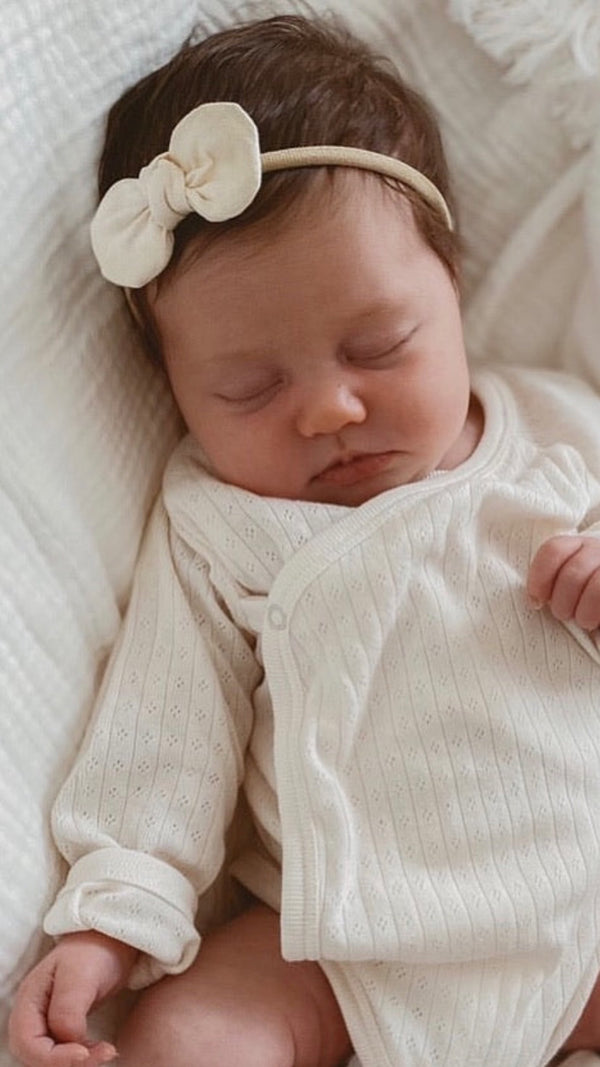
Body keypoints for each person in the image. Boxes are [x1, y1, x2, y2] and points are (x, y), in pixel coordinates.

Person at [8, 12, 600, 1067]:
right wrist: (110, 918)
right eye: (249, 388)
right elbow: (161, 738)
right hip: (339, 945)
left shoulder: (559, 433)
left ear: (452, 293)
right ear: (176, 392)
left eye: (380, 345)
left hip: (580, 903)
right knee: (191, 1029)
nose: (328, 408)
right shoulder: (216, 524)